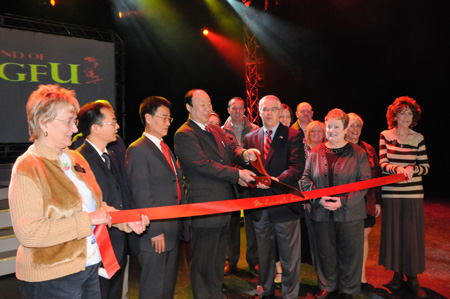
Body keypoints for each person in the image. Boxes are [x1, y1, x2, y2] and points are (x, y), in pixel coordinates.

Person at [8, 84, 148, 299]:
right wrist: (88, 220)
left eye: (74, 122)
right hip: (50, 277)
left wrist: (125, 221)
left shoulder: (76, 159)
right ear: (43, 123)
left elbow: (97, 206)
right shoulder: (28, 166)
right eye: (68, 122)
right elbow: (29, 233)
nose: (74, 129)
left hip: (89, 265)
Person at [173, 89, 259, 299]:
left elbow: (233, 149)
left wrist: (245, 154)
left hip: (224, 205)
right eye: (201, 104)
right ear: (189, 107)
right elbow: (203, 165)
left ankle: (215, 293)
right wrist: (237, 173)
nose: (207, 108)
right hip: (204, 206)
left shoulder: (216, 130)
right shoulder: (184, 134)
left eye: (209, 103)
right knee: (203, 258)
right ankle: (204, 294)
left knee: (218, 256)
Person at [300, 108, 371, 299]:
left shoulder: (359, 153)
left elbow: (365, 183)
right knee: (325, 253)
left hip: (350, 214)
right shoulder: (315, 152)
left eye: (336, 127)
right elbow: (305, 180)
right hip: (322, 213)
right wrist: (318, 199)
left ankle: (348, 289)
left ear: (346, 128)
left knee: (350, 254)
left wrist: (344, 202)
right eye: (329, 126)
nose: (331, 130)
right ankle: (327, 286)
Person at [126, 96, 189, 299]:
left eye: (169, 119)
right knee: (154, 288)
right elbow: (141, 193)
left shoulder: (165, 148)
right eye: (163, 118)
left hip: (172, 228)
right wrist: (155, 230)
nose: (168, 123)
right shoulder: (137, 150)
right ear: (148, 118)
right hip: (156, 233)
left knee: (167, 287)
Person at [243, 95, 305, 299]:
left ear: (280, 111)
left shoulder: (293, 135)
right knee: (265, 254)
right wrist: (248, 179)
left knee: (289, 258)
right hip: (260, 208)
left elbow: (297, 168)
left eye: (272, 109)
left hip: (285, 207)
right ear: (259, 112)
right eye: (264, 109)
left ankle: (290, 295)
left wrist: (275, 180)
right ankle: (265, 291)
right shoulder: (250, 138)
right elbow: (245, 168)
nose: (268, 113)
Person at [76, 100, 137, 299]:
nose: (117, 126)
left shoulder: (111, 156)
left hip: (119, 242)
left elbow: (122, 194)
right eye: (112, 122)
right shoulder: (79, 160)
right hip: (97, 245)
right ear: (95, 128)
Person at [378, 96, 429, 299]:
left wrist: (412, 168)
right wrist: (397, 168)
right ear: (395, 115)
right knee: (394, 235)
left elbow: (425, 167)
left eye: (410, 113)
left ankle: (413, 278)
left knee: (411, 236)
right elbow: (382, 163)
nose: (406, 116)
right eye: (402, 113)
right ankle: (397, 275)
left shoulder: (419, 138)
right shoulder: (385, 135)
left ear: (413, 116)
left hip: (413, 194)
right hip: (391, 194)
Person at [221, 96, 260, 276]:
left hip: (250, 182)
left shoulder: (255, 130)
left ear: (245, 110)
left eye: (240, 108)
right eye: (234, 108)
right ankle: (232, 261)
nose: (237, 112)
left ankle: (253, 260)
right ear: (228, 109)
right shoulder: (220, 131)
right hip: (230, 182)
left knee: (252, 222)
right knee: (232, 223)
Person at [345, 113, 382, 290]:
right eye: (352, 125)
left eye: (358, 126)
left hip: (366, 202)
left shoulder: (369, 149)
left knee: (363, 238)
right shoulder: (339, 147)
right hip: (345, 204)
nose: (355, 129)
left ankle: (361, 278)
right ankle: (345, 277)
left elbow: (377, 177)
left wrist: (378, 201)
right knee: (346, 241)